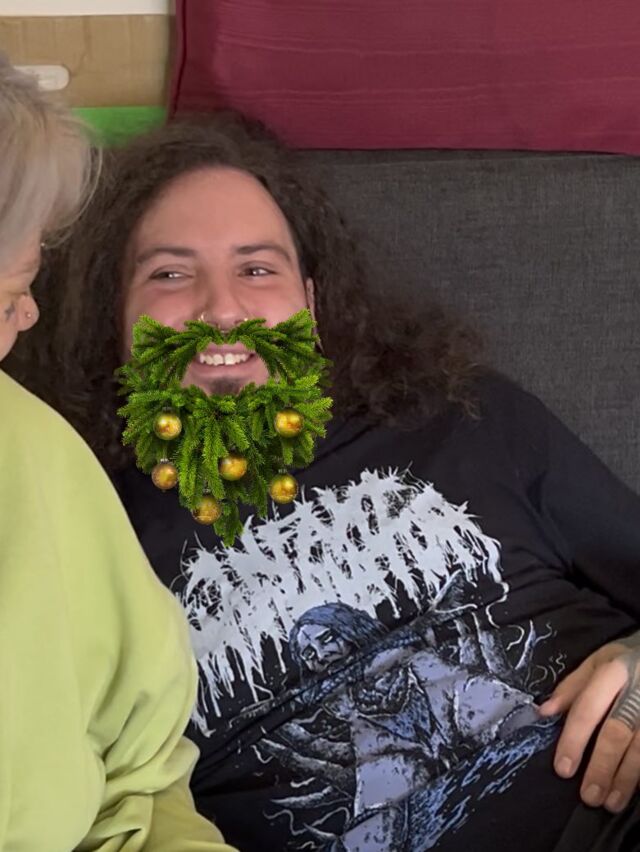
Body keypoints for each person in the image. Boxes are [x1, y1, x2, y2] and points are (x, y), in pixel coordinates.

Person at [9, 111, 640, 852]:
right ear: (112, 317)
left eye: (257, 269)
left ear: (310, 304)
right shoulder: (75, 512)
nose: (222, 309)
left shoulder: (462, 415)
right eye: (170, 274)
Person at [0, 59, 236, 851]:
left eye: (256, 266)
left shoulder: (41, 453)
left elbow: (143, 780)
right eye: (9, 297)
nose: (223, 309)